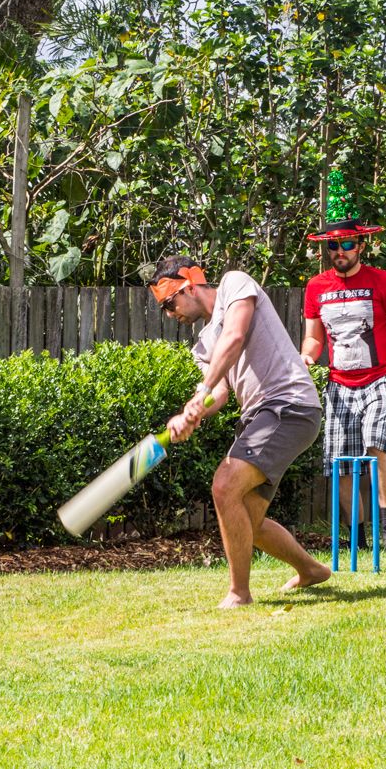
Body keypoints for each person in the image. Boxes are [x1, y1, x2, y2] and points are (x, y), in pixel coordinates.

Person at [148, 256, 330, 608]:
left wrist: (201, 394)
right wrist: (192, 413)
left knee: (224, 484)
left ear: (189, 284)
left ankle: (239, 593)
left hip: (287, 405)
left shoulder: (235, 283)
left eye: (170, 303)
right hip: (261, 415)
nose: (171, 314)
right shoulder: (203, 344)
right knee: (248, 517)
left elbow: (235, 335)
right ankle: (311, 570)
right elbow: (220, 393)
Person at [301, 173, 386, 553]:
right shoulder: (317, 288)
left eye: (347, 244)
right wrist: (305, 358)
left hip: (380, 379)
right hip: (339, 383)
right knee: (340, 462)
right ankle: (358, 536)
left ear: (360, 244)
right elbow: (314, 338)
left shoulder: (382, 281)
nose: (340, 252)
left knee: (375, 445)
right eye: (333, 246)